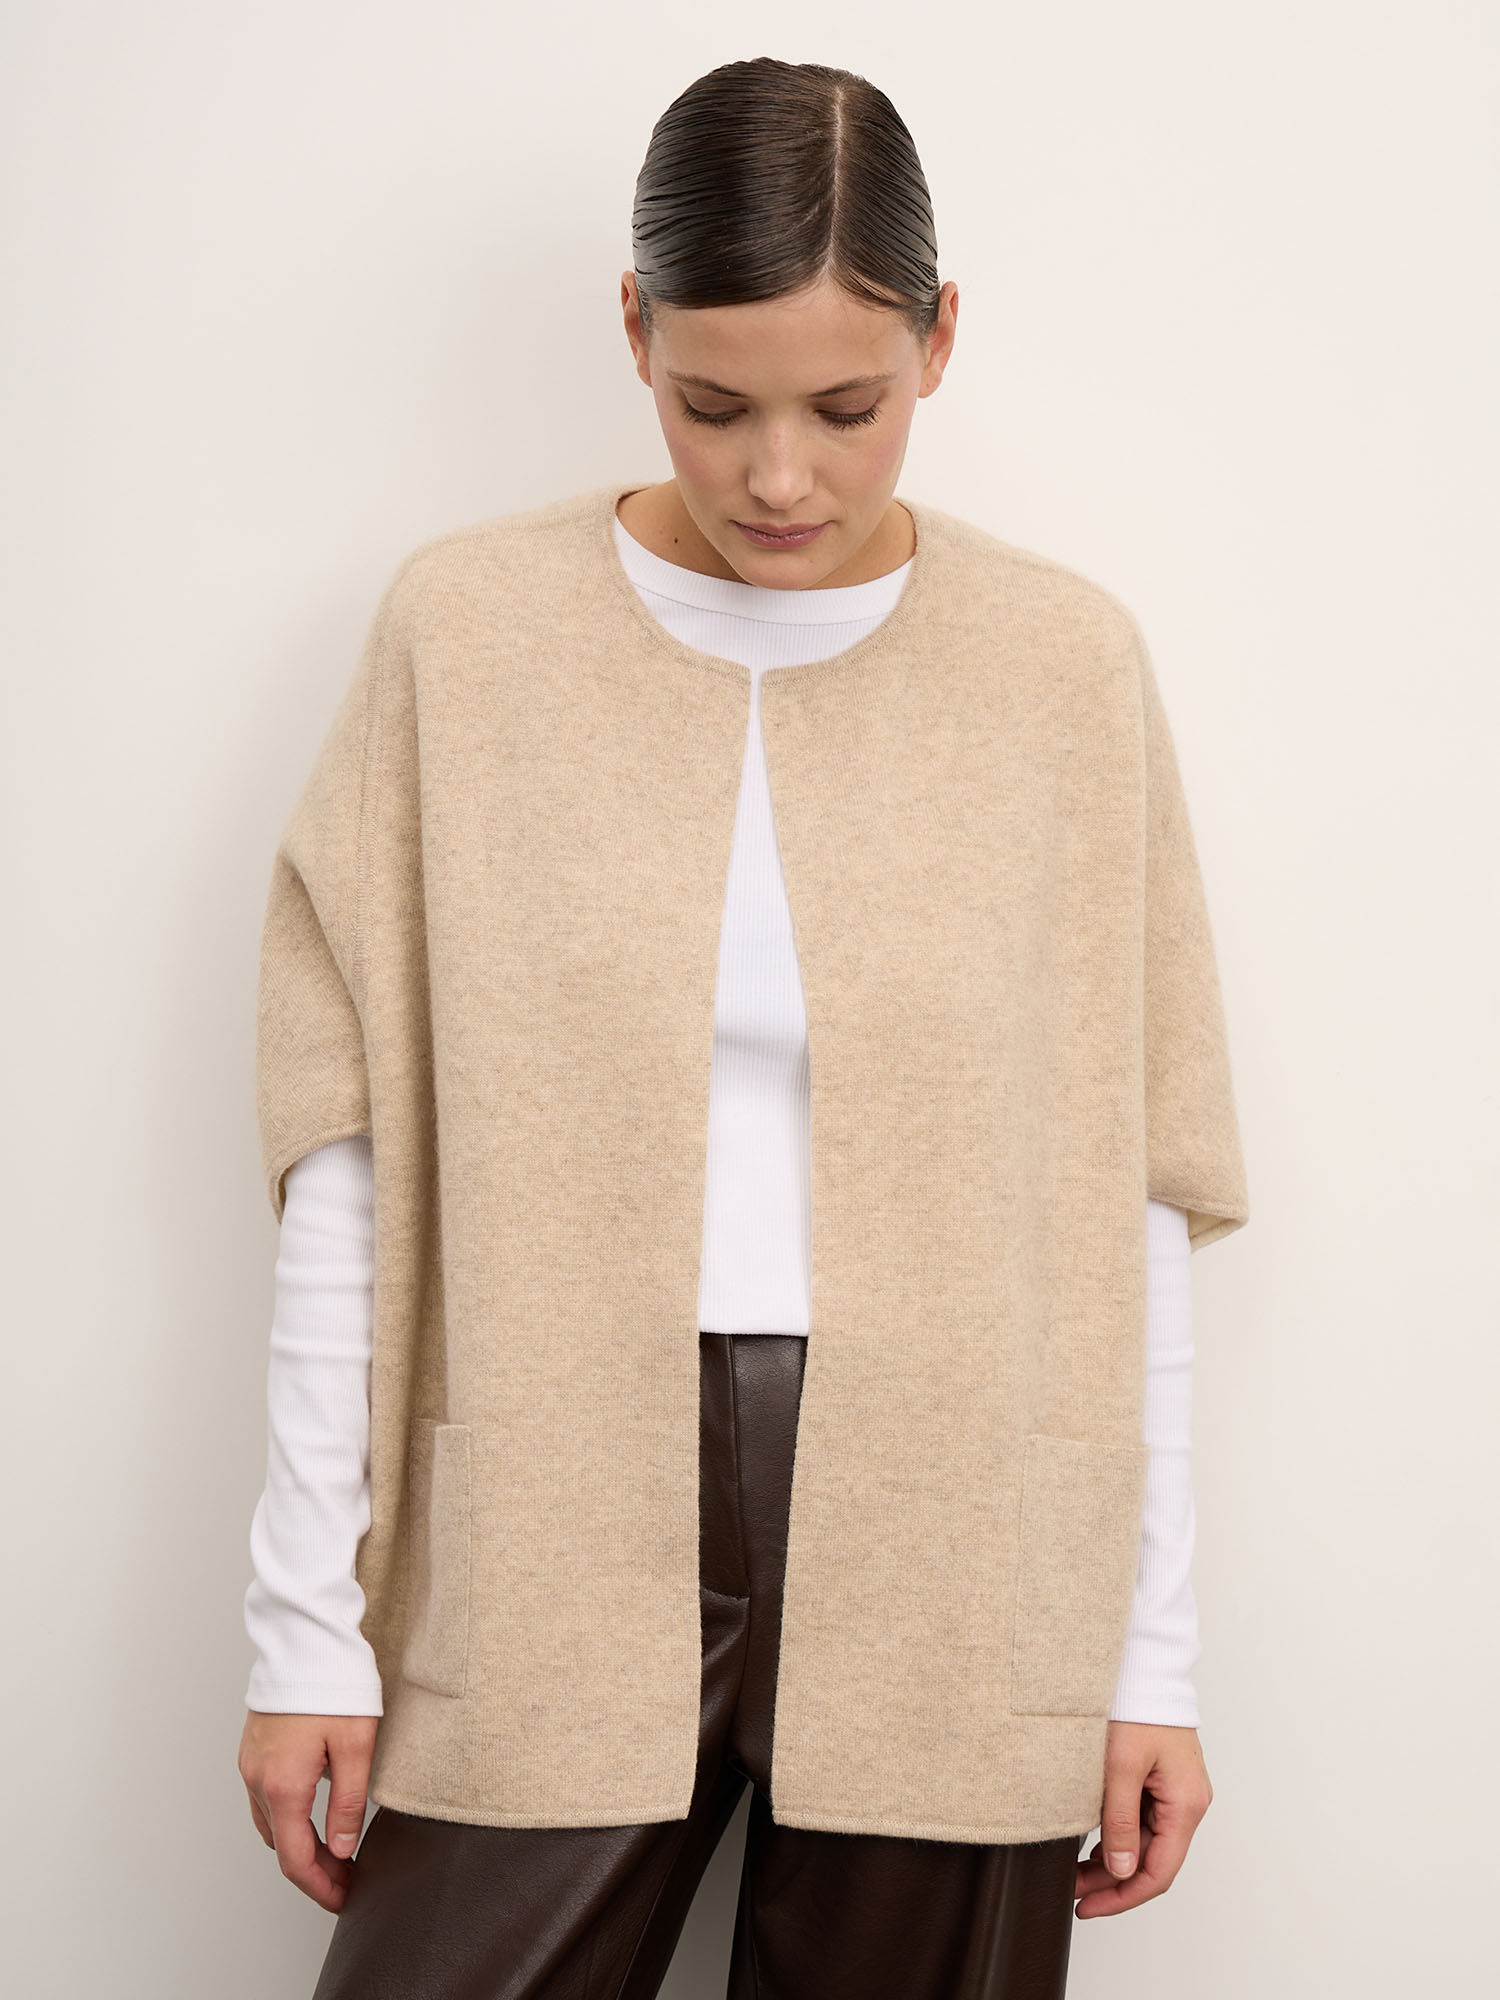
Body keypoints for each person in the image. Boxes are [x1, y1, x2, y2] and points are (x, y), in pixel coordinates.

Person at [236, 55, 1248, 2000]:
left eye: (847, 408)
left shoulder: (1062, 671)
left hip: (964, 1524)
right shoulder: (468, 636)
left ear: (939, 342)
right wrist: (303, 1626)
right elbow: (345, 1150)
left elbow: (1135, 1188)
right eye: (714, 405)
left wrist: (1152, 1659)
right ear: (635, 331)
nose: (780, 477)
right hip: (544, 1500)